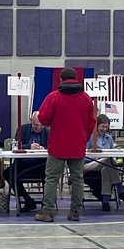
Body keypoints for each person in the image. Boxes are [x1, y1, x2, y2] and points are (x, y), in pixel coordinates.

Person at [34, 67, 95, 222]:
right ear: (76, 79)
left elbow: (44, 118)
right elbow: (91, 122)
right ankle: (74, 211)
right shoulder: (86, 98)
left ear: (61, 80)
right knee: (77, 179)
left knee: (52, 179)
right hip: (78, 145)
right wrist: (84, 137)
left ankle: (47, 212)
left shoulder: (54, 96)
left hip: (57, 145)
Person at [3, 111, 49, 213]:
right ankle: (27, 199)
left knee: (50, 175)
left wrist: (43, 148)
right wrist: (29, 146)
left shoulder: (47, 132)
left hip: (40, 165)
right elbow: (14, 146)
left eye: (41, 125)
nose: (38, 127)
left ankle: (46, 204)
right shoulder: (23, 129)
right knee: (7, 173)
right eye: (35, 125)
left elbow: (52, 148)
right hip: (22, 164)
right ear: (31, 121)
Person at [84, 113, 124, 211]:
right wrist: (96, 157)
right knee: (107, 160)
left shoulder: (109, 138)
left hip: (105, 166)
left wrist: (112, 160)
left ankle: (105, 201)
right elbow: (82, 156)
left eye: (107, 127)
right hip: (88, 165)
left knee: (106, 167)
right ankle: (119, 187)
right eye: (102, 126)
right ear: (96, 126)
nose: (105, 129)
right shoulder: (89, 137)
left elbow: (113, 154)